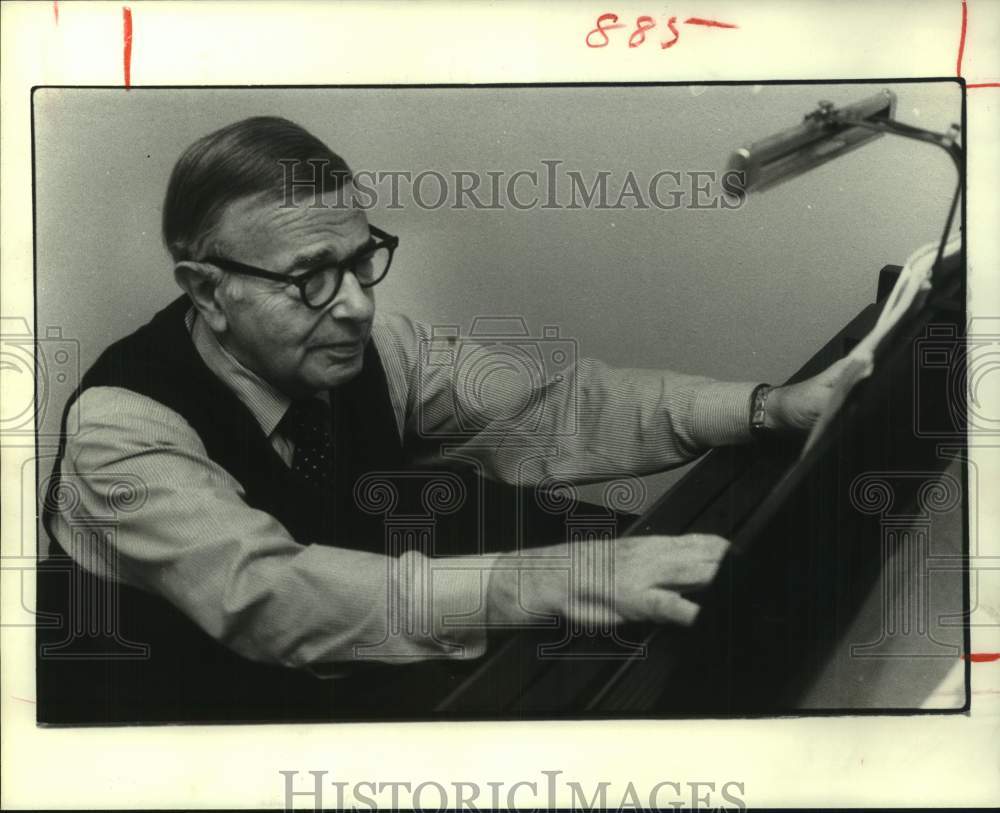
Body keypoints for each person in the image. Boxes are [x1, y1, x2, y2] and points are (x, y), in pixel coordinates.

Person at [38, 116, 846, 723]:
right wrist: (559, 580)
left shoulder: (369, 345)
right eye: (311, 278)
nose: (356, 304)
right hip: (162, 720)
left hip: (324, 667)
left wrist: (768, 407)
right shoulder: (121, 428)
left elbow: (551, 406)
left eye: (360, 260)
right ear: (208, 289)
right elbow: (274, 595)